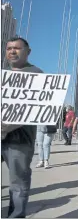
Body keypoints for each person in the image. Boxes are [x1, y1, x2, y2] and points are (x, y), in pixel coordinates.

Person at [1, 37, 43, 218]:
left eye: (17, 48)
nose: (12, 51)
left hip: (20, 139)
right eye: (9, 48)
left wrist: (3, 130)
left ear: (28, 51)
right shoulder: (3, 74)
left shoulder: (37, 74)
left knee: (18, 182)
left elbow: (29, 111)